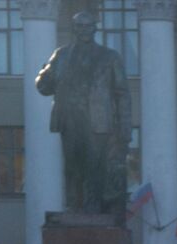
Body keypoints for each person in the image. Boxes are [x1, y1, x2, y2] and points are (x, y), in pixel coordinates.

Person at [34, 11, 132, 215]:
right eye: (79, 26)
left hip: (98, 119)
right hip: (69, 118)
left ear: (95, 28)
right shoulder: (61, 55)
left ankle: (93, 207)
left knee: (95, 165)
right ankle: (74, 206)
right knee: (72, 166)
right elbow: (44, 88)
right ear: (74, 29)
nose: (84, 30)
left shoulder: (110, 57)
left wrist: (125, 127)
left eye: (88, 26)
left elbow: (122, 94)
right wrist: (44, 74)